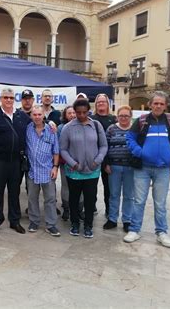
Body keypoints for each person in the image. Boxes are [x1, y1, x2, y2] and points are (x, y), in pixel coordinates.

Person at [124, 91, 170, 248]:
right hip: (142, 168)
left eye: (161, 103)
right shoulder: (142, 121)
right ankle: (134, 230)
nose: (158, 106)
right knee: (139, 201)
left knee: (160, 203)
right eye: (155, 103)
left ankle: (161, 232)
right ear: (150, 104)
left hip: (163, 169)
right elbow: (130, 138)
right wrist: (139, 152)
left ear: (166, 105)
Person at [0, 87, 31, 235]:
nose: (8, 100)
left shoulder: (22, 116)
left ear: (14, 99)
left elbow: (37, 123)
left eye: (11, 98)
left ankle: (14, 221)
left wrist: (50, 124)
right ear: (1, 99)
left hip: (16, 162)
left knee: (14, 192)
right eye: (6, 97)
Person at [60, 98, 107, 238]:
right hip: (74, 171)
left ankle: (88, 225)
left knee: (89, 199)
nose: (81, 115)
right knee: (73, 199)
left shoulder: (96, 126)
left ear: (88, 111)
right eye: (78, 112)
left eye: (84, 112)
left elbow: (104, 146)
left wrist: (97, 161)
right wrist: (73, 163)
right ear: (74, 112)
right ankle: (75, 224)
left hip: (92, 171)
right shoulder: (68, 128)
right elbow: (63, 149)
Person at [26, 105, 60, 236]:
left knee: (50, 199)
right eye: (34, 115)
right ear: (31, 116)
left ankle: (51, 225)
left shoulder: (51, 130)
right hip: (32, 171)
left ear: (43, 116)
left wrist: (55, 167)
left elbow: (56, 151)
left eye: (39, 114)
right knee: (32, 198)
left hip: (47, 170)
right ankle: (34, 221)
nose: (37, 117)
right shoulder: (28, 129)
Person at [103, 105, 134, 233]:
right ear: (117, 116)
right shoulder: (111, 129)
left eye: (126, 116)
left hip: (130, 167)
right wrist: (106, 164)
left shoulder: (135, 130)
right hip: (114, 166)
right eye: (121, 115)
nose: (123, 118)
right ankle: (112, 219)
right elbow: (105, 146)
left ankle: (127, 220)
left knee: (128, 195)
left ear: (130, 116)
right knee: (114, 194)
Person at [91, 93, 117, 218]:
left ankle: (109, 210)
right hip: (94, 158)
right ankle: (92, 206)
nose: (101, 103)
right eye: (99, 102)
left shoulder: (114, 119)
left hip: (109, 159)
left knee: (109, 187)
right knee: (92, 186)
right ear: (96, 104)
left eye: (103, 101)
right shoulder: (91, 118)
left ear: (108, 104)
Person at [57, 105, 76, 221]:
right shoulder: (61, 128)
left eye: (74, 113)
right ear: (65, 115)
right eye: (69, 113)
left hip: (79, 163)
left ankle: (78, 209)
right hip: (65, 162)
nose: (72, 115)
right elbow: (60, 146)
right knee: (66, 186)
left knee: (79, 186)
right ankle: (67, 208)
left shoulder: (81, 125)